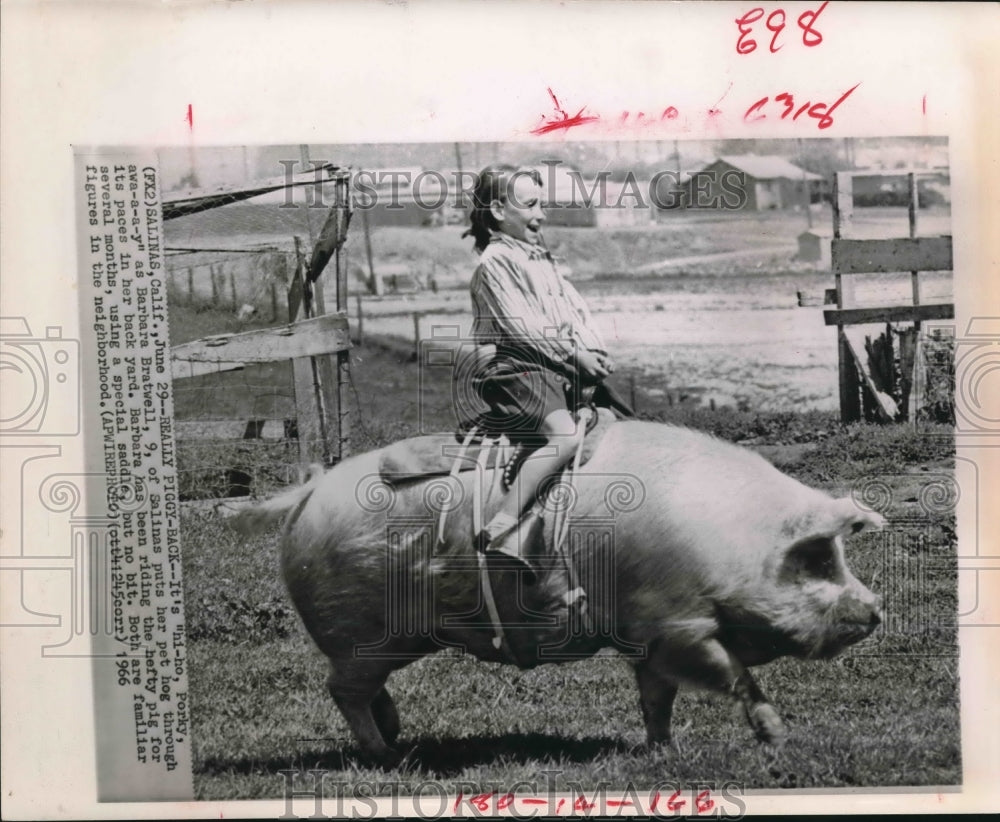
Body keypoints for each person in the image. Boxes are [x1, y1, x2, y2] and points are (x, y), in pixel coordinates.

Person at [463, 164, 616, 560]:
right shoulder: (495, 262)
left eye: (541, 204)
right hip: (515, 366)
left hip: (552, 363)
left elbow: (571, 310)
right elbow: (524, 326)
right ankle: (503, 525)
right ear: (498, 210)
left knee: (614, 429)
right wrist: (573, 354)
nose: (541, 214)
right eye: (530, 205)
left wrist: (592, 349)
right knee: (564, 437)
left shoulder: (538, 258)